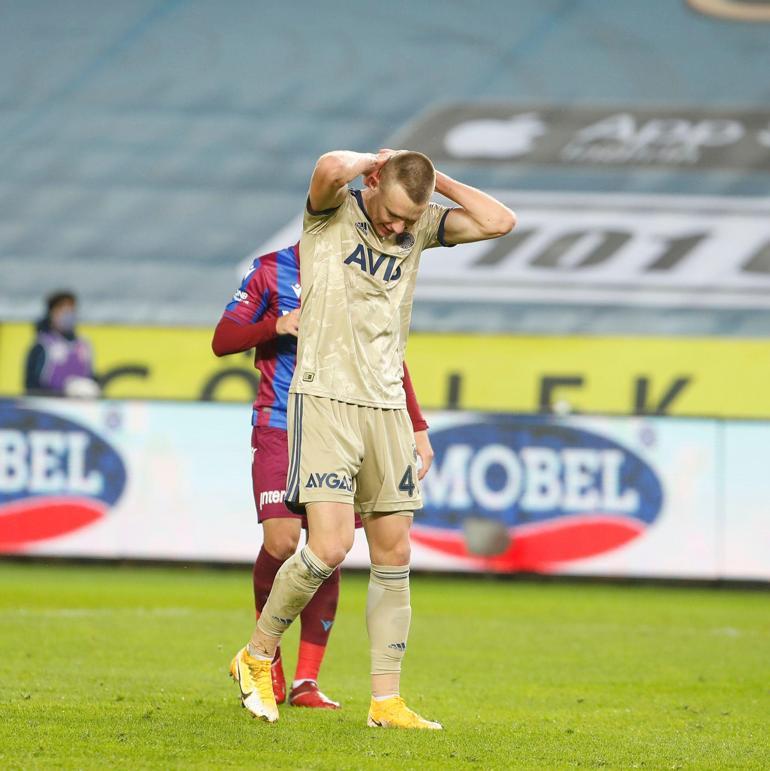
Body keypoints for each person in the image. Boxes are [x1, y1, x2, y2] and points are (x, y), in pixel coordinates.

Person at [229, 149, 515, 728]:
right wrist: (374, 162)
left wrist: (434, 182)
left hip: (385, 404)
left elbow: (499, 221)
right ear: (375, 182)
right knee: (329, 548)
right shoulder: (331, 213)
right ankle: (256, 656)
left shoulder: (420, 227)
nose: (397, 228)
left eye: (410, 220)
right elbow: (329, 167)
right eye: (392, 215)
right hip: (325, 397)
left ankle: (386, 701)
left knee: (395, 553)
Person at [212, 242, 433, 710]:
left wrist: (415, 424)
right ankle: (264, 657)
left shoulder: (362, 269)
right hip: (280, 421)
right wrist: (277, 324)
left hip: (342, 427)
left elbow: (386, 353)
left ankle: (306, 682)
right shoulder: (273, 270)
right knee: (282, 542)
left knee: (328, 547)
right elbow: (223, 339)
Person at [25, 291, 100, 398]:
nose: (68, 314)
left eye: (71, 309)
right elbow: (31, 386)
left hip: (81, 406)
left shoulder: (84, 344)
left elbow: (92, 378)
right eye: (62, 309)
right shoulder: (43, 345)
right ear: (51, 313)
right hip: (50, 406)